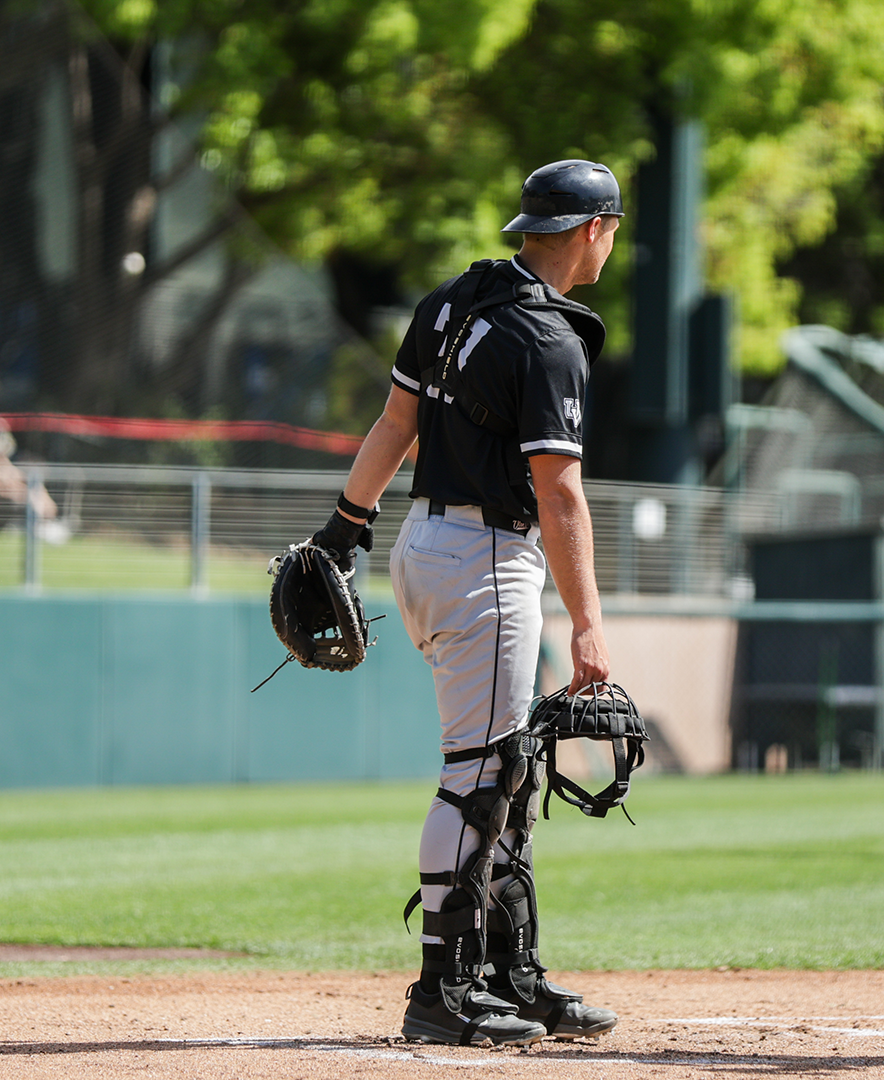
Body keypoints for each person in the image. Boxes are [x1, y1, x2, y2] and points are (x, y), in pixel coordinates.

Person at [302, 160, 623, 1047]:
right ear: (595, 229)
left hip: (426, 545)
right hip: (483, 557)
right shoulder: (546, 339)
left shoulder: (456, 300)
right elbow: (560, 497)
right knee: (479, 776)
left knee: (505, 771)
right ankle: (441, 987)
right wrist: (589, 621)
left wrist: (345, 525)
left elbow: (395, 424)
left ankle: (506, 971)